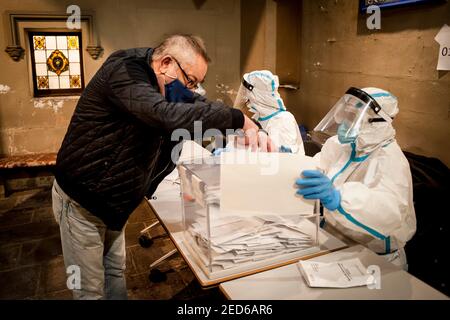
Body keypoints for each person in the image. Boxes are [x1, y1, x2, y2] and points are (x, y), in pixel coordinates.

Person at [52, 34, 274, 299]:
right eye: (190, 81)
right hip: (83, 201)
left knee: (114, 272)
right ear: (166, 63)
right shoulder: (125, 71)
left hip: (115, 203)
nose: (191, 90)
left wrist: (247, 125)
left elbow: (197, 105)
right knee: (89, 291)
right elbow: (164, 116)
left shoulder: (168, 82)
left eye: (196, 85)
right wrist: (237, 118)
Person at [295, 87, 416, 270]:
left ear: (376, 122)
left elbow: (389, 212)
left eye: (353, 118)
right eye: (346, 115)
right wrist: (291, 166)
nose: (344, 123)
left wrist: (339, 199)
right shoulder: (341, 146)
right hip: (334, 242)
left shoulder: (390, 159)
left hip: (375, 259)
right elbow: (317, 167)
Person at [233, 70, 305, 154]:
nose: (245, 96)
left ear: (257, 95)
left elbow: (281, 157)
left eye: (247, 92)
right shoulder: (260, 118)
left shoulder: (283, 119)